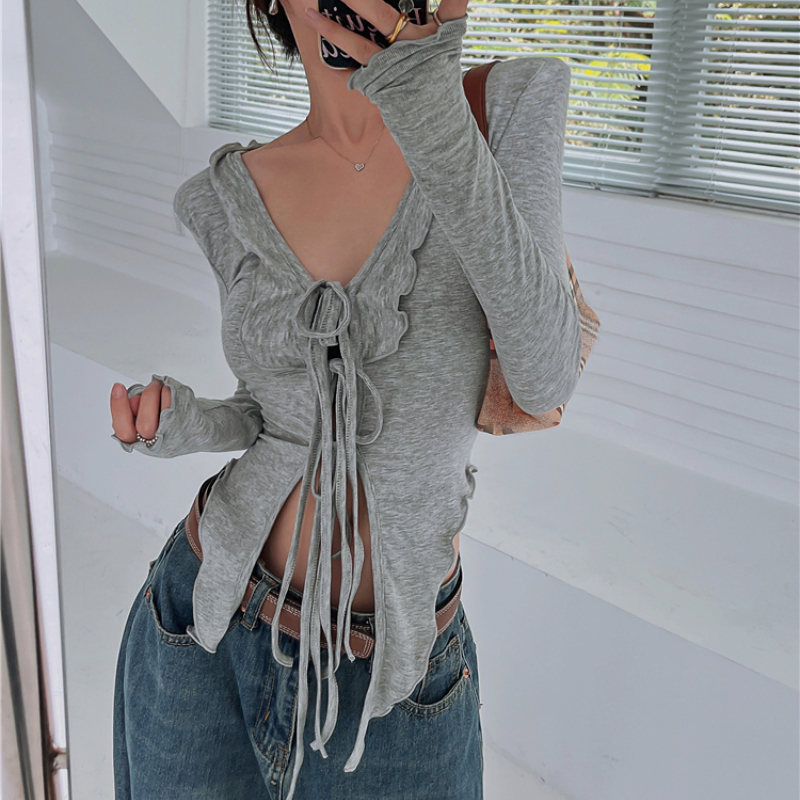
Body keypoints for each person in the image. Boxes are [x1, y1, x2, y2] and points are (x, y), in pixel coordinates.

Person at [109, 0, 582, 797]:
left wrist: (426, 96)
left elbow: (545, 375)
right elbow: (274, 414)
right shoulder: (224, 195)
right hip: (205, 623)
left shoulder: (508, 109)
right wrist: (186, 423)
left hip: (391, 674)